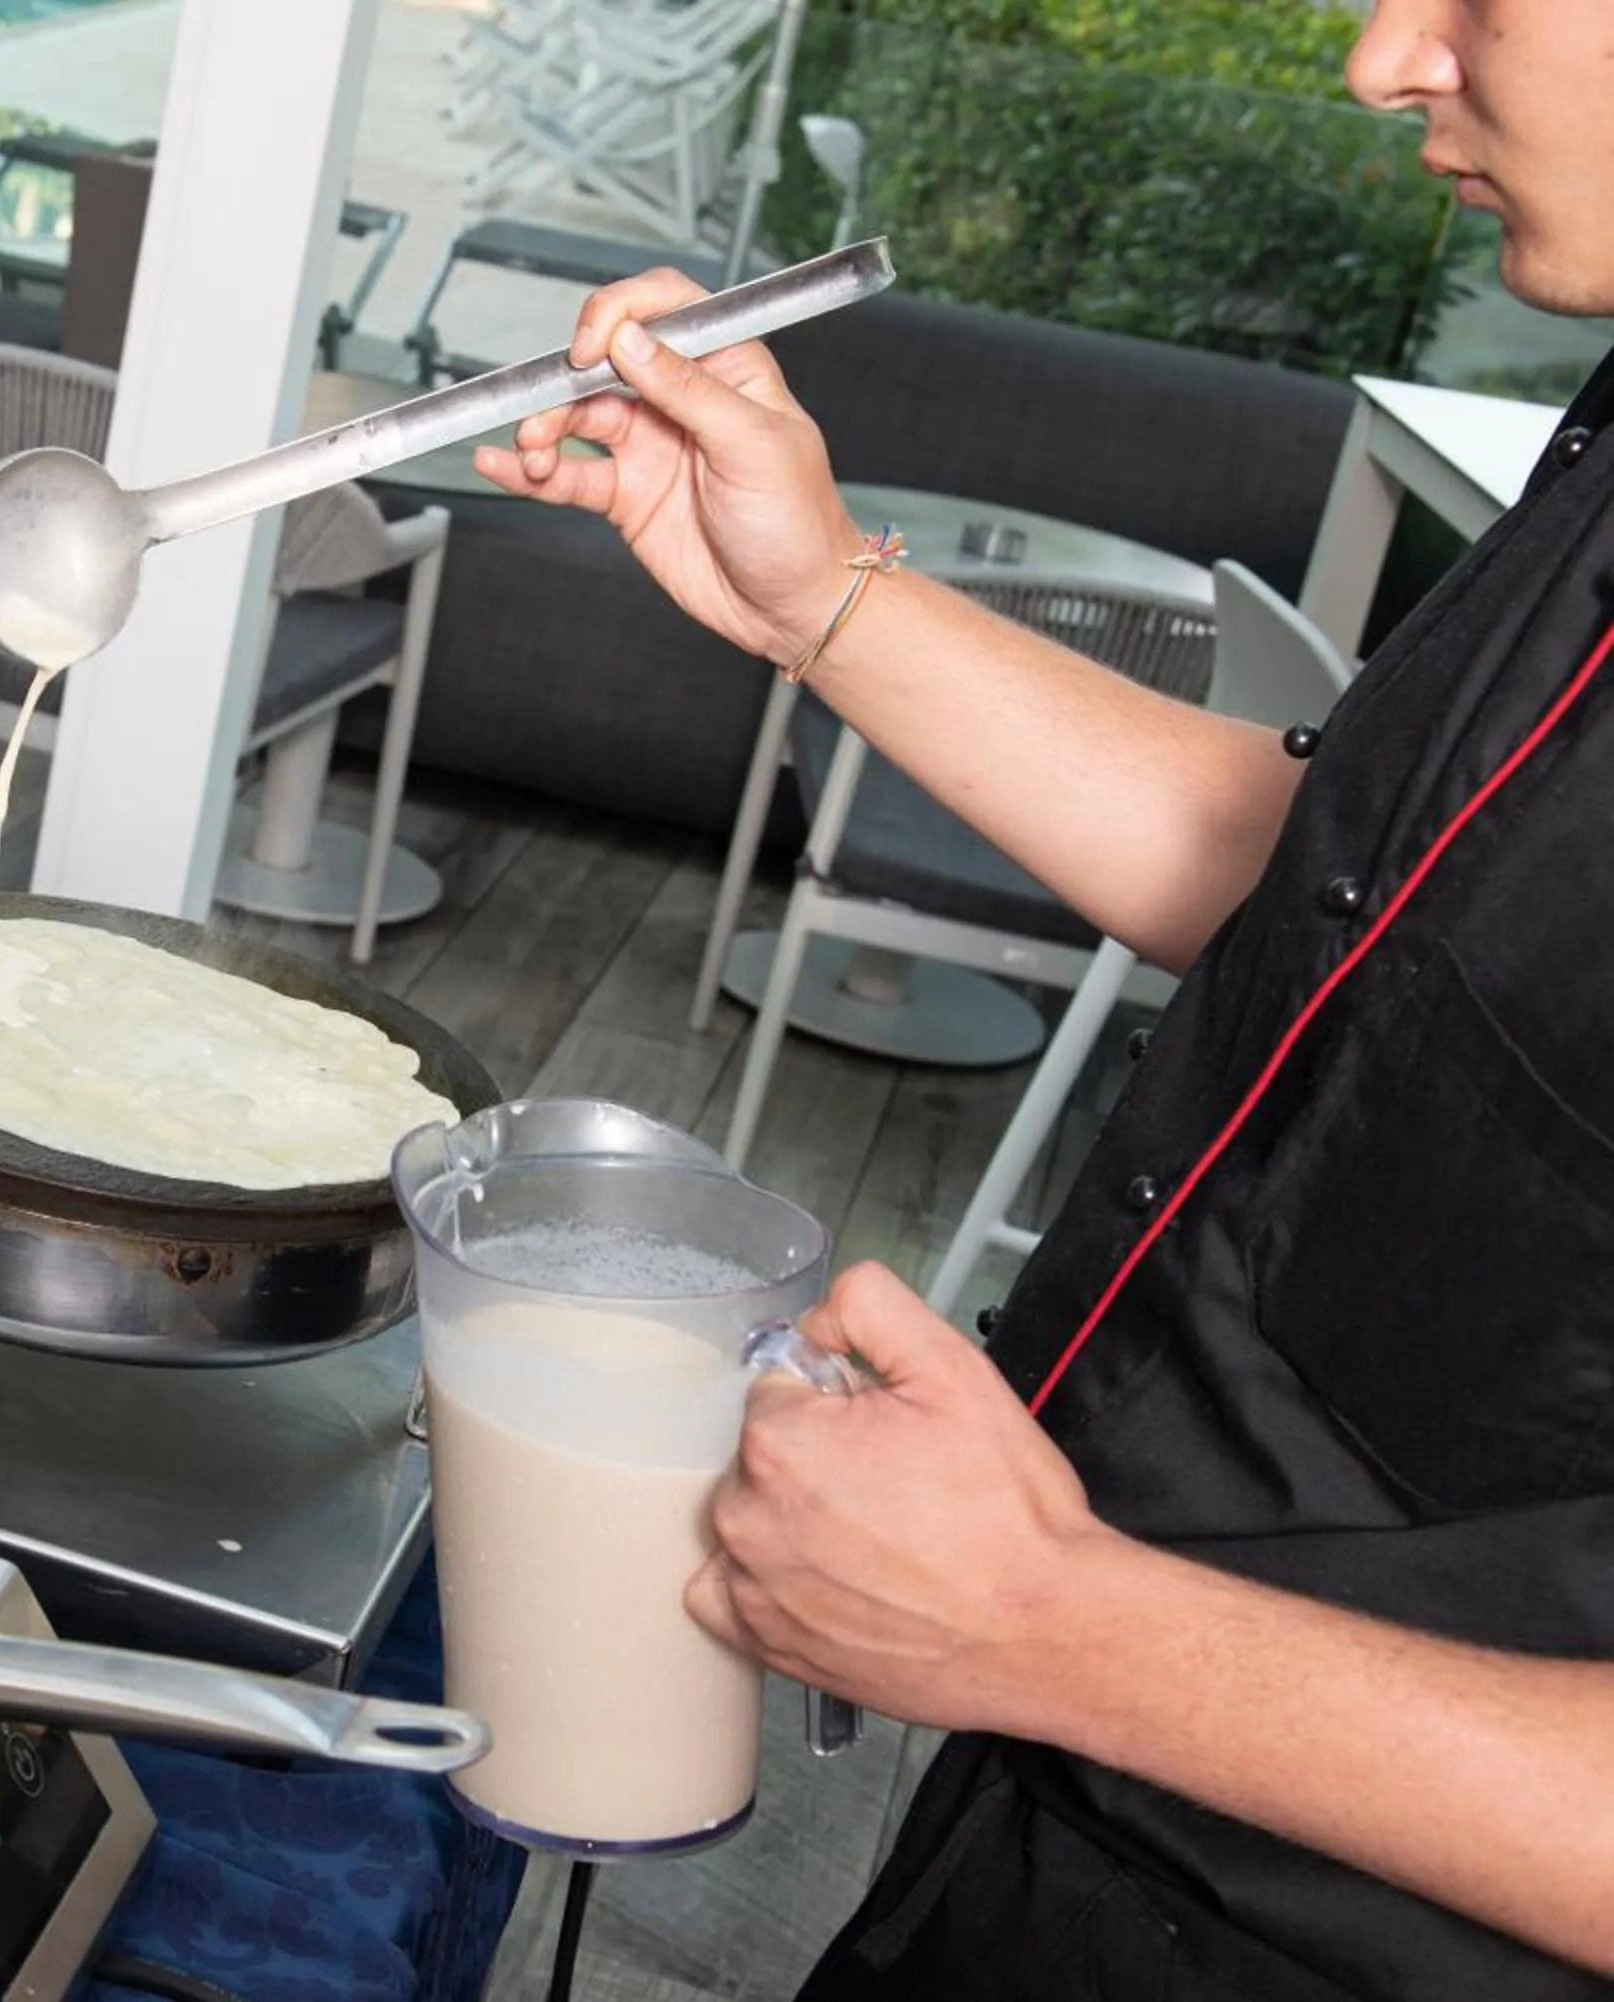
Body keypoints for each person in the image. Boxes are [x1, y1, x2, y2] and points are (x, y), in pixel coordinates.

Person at [473, 1, 1614, 1996]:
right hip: (1065, 1829)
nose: (1386, 59)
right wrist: (817, 592)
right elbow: (1358, 903)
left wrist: (1053, 1621)